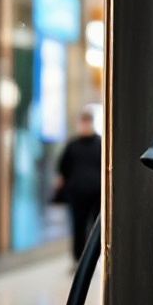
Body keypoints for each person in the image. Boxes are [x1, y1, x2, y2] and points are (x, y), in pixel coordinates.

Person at [56, 108, 102, 261]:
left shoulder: (100, 144)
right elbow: (63, 168)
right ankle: (79, 258)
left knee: (96, 227)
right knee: (78, 226)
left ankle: (94, 257)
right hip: (77, 193)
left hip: (96, 193)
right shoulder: (73, 145)